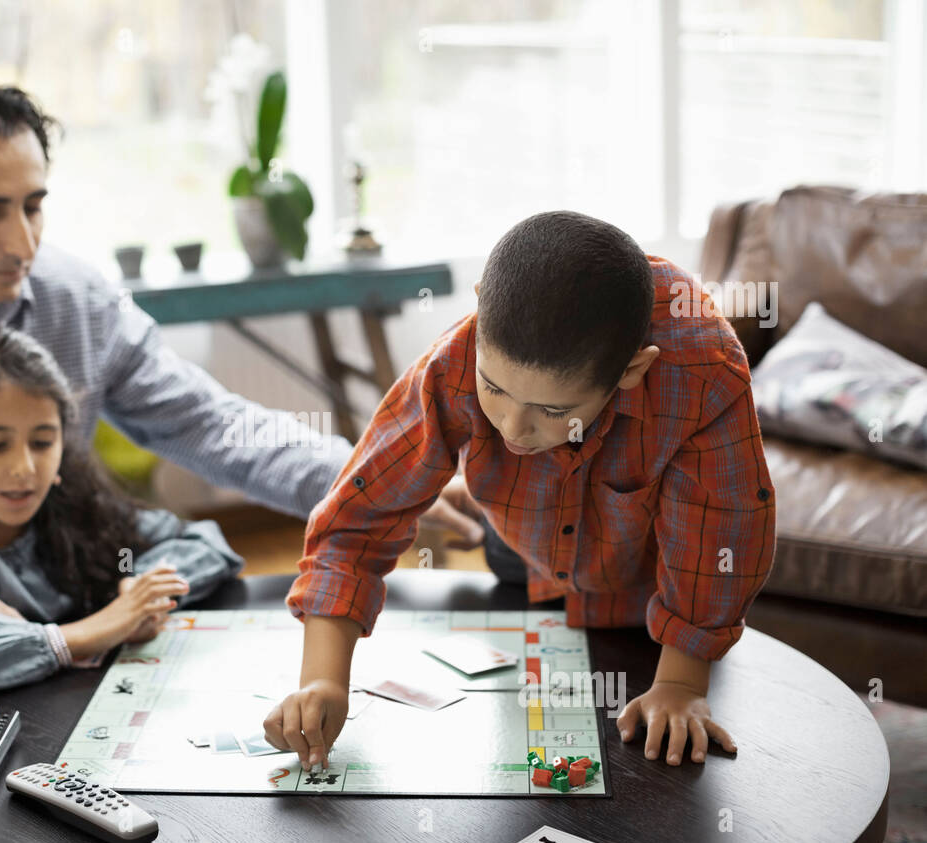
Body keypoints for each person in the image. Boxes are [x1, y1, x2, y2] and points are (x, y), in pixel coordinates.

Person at [0, 77, 482, 750]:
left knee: (104, 765)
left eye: (33, 206)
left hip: (54, 605)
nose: (22, 241)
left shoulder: (72, 300)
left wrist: (363, 488)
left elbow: (208, 423)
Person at [269, 210, 778, 772]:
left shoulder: (706, 373)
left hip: (649, 580)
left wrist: (681, 684)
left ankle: (472, 491)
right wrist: (322, 679)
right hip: (522, 549)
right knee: (501, 541)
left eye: (553, 410)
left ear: (632, 370)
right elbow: (355, 522)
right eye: (494, 389)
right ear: (481, 306)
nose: (512, 430)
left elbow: (719, 541)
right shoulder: (456, 357)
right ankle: (473, 494)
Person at [0, 324, 243, 700]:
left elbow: (205, 543)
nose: (25, 468)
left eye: (43, 442)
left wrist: (142, 593)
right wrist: (85, 634)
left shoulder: (77, 507)